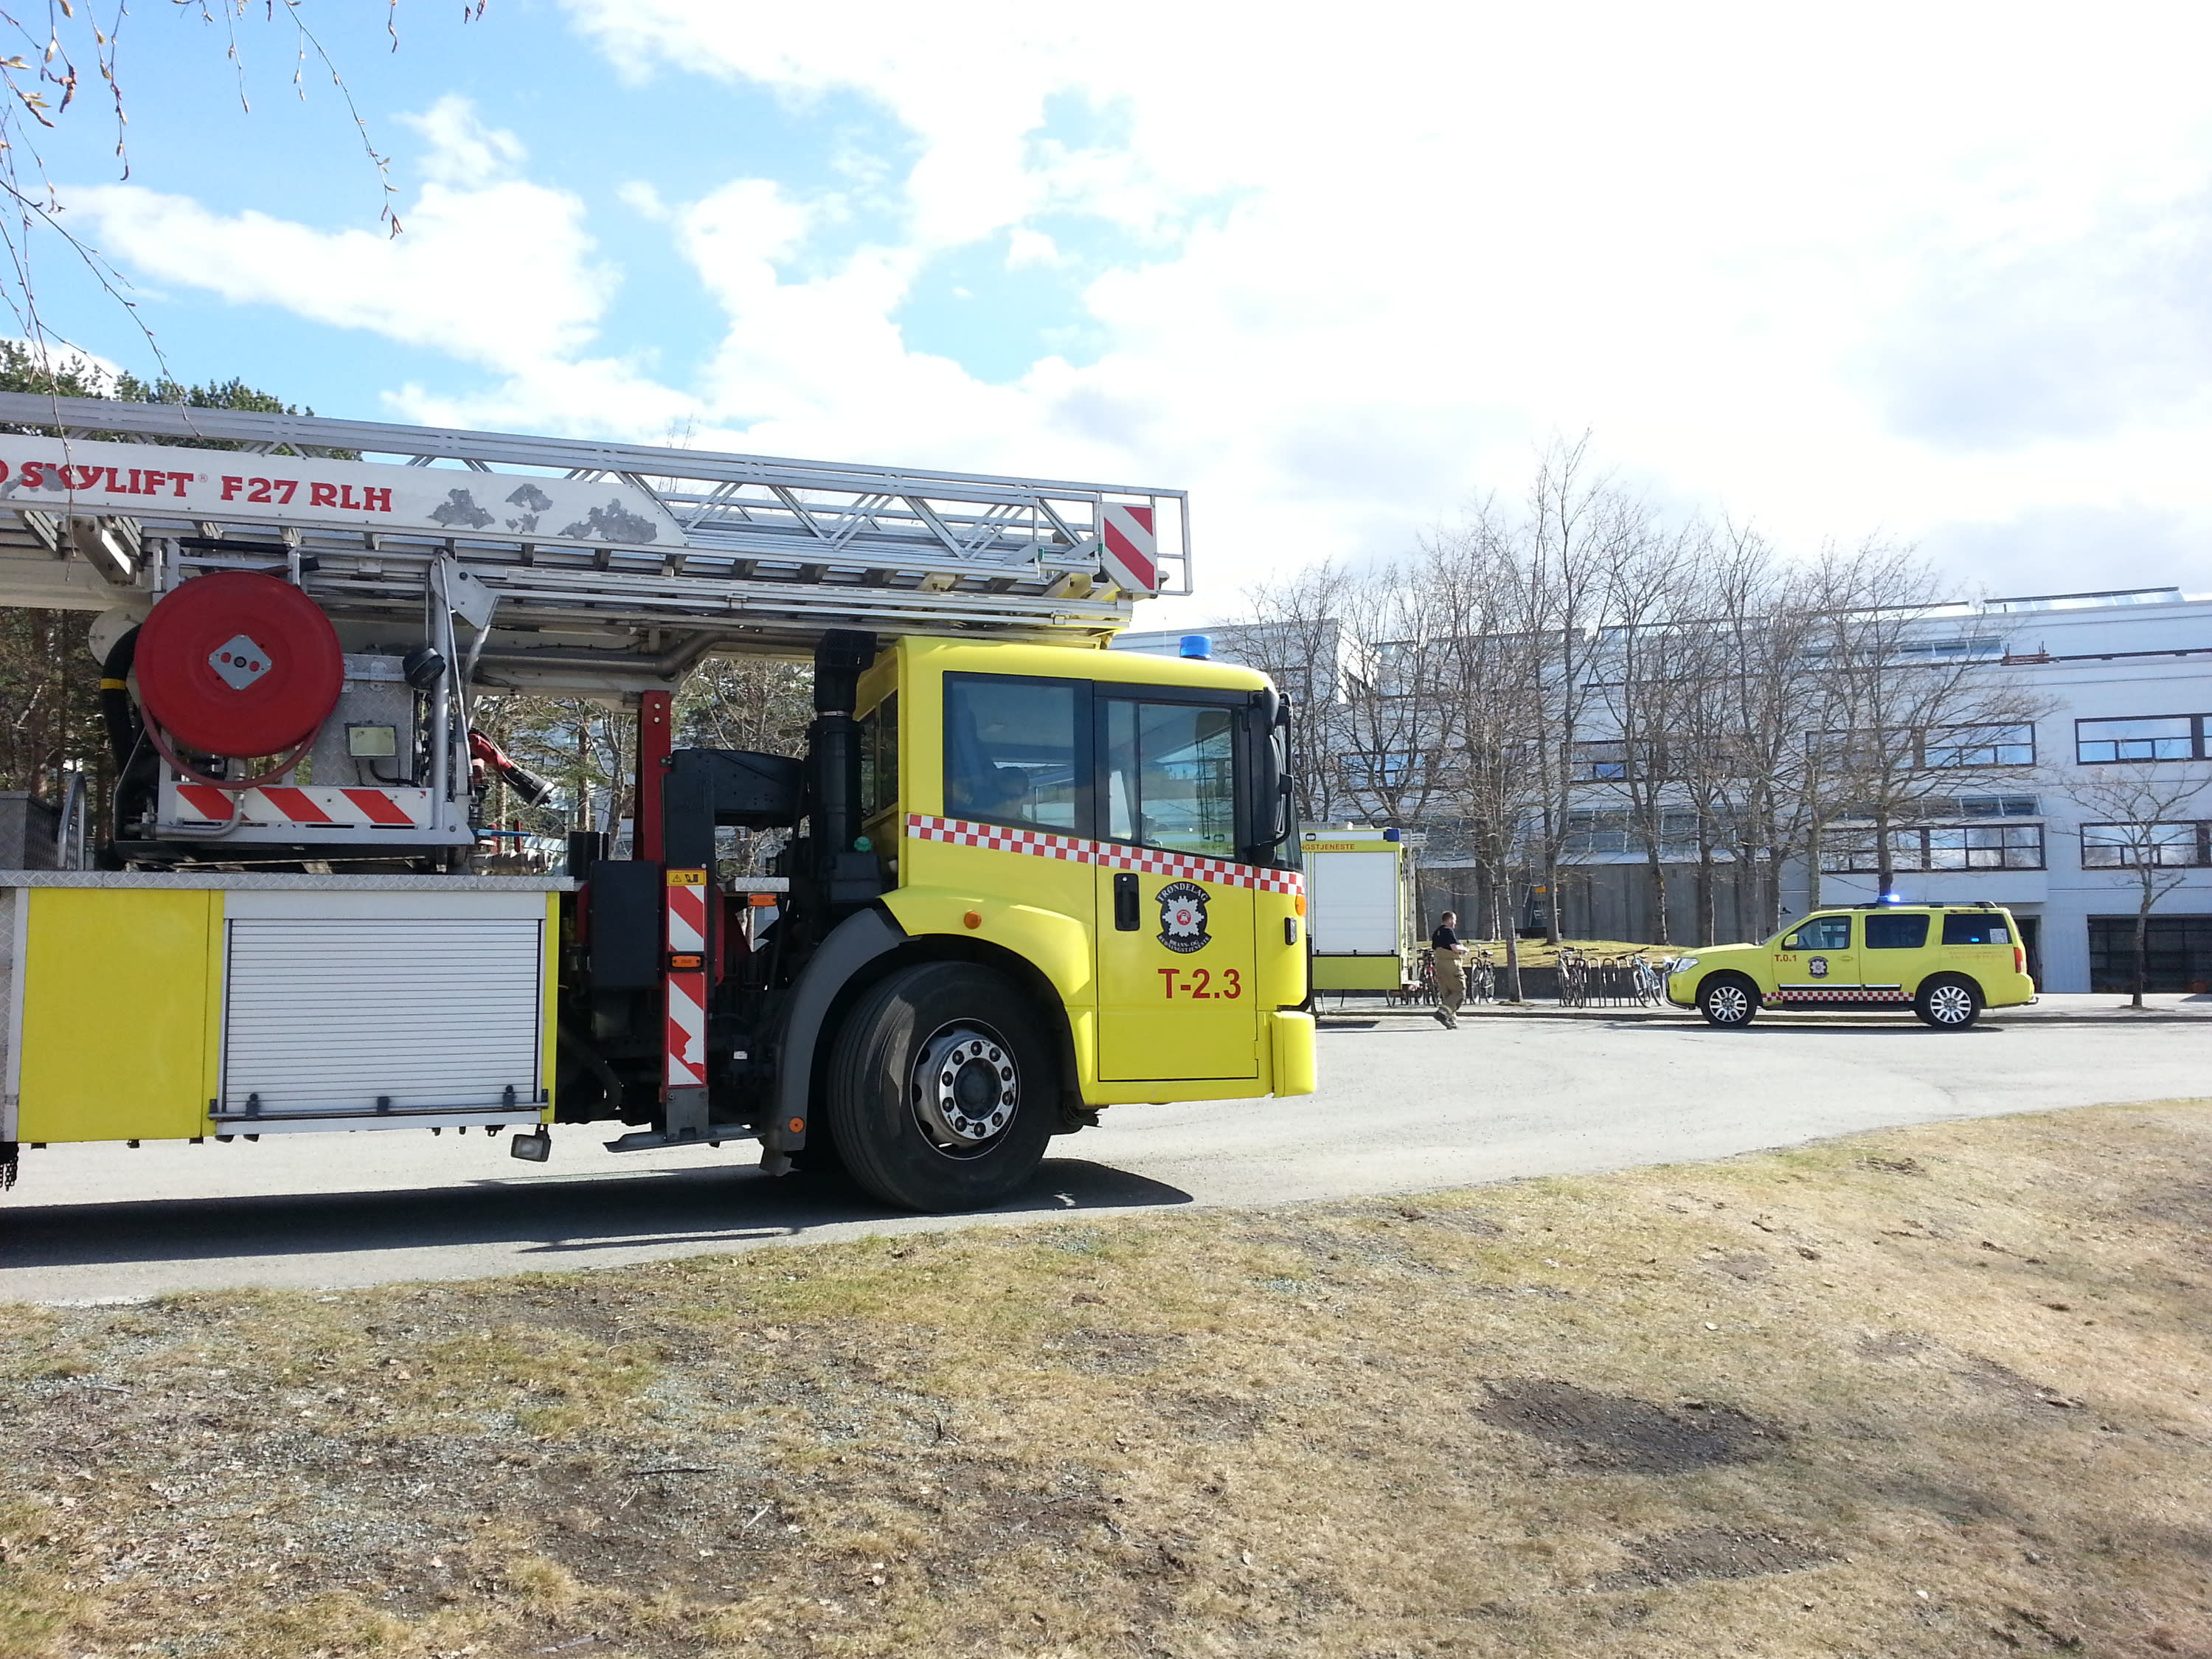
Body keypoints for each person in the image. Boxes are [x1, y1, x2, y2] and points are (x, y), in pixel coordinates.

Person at [1429, 910, 1468, 1028]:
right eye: (1454, 920)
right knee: (1460, 991)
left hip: (1439, 966)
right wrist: (1465, 949)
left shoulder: (1436, 933)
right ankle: (1442, 1012)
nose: (1455, 923)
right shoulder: (1448, 931)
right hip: (1451, 966)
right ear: (1450, 919)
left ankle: (1450, 1020)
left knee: (1448, 995)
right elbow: (1454, 948)